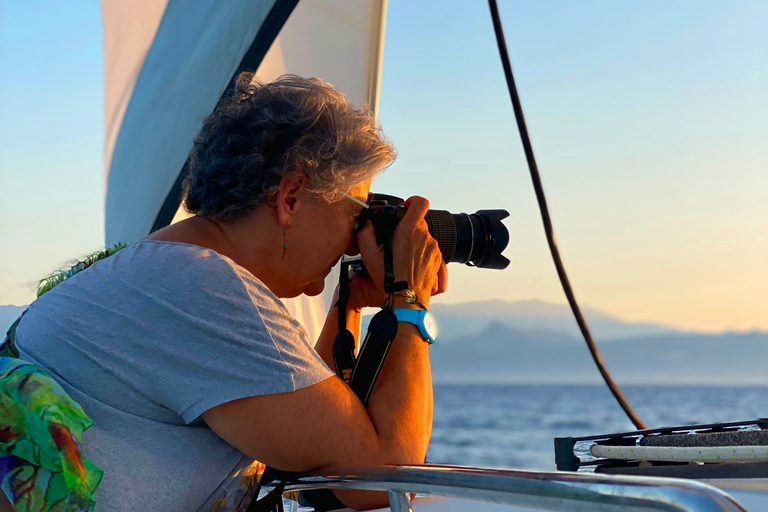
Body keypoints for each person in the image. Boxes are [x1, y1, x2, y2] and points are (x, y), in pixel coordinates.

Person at [13, 73, 447, 511]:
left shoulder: (148, 271)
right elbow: (383, 476)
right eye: (355, 212)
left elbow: (316, 421)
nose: (354, 238)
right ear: (291, 198)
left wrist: (348, 302)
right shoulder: (207, 292)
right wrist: (410, 299)